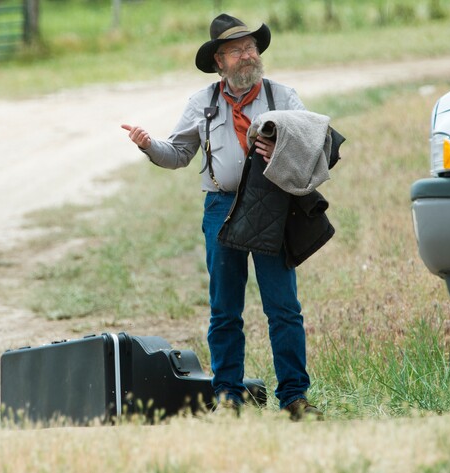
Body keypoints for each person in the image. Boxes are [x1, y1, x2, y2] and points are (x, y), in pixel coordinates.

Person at [122, 13, 322, 421]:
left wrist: (281, 149)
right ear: (219, 62)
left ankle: (295, 398)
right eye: (236, 50)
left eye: (250, 47)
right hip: (222, 209)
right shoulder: (202, 103)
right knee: (224, 309)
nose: (247, 56)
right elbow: (178, 154)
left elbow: (314, 141)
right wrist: (147, 145)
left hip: (273, 207)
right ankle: (228, 396)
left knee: (283, 308)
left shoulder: (283, 96)